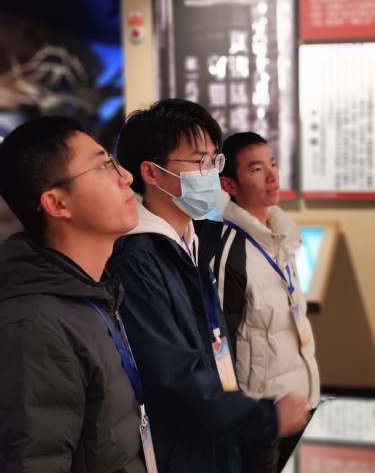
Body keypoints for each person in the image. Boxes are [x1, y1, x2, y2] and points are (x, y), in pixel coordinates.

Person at [106, 99, 310, 473]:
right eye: (200, 162)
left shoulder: (195, 240)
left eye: (215, 161)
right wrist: (263, 418)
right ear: (150, 173)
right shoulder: (137, 258)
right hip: (182, 448)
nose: (212, 174)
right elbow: (171, 373)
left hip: (215, 438)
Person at [0, 116, 147, 471]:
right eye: (104, 166)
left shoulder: (93, 292)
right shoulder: (36, 327)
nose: (126, 177)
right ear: (57, 204)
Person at [214, 132, 320, 472]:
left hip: (300, 399)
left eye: (272, 164)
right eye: (257, 169)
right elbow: (222, 343)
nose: (272, 175)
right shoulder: (230, 249)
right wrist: (243, 416)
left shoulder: (281, 236)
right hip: (263, 411)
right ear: (229, 185)